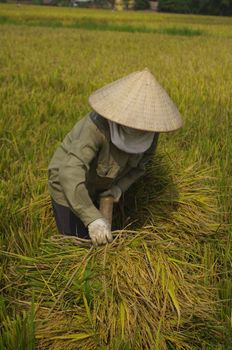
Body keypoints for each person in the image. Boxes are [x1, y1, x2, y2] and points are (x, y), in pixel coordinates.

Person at [48, 68, 182, 246]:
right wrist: (92, 218)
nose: (141, 127)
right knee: (77, 245)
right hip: (67, 185)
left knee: (102, 240)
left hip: (102, 184)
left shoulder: (151, 133)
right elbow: (69, 173)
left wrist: (119, 188)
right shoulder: (95, 128)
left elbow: (140, 166)